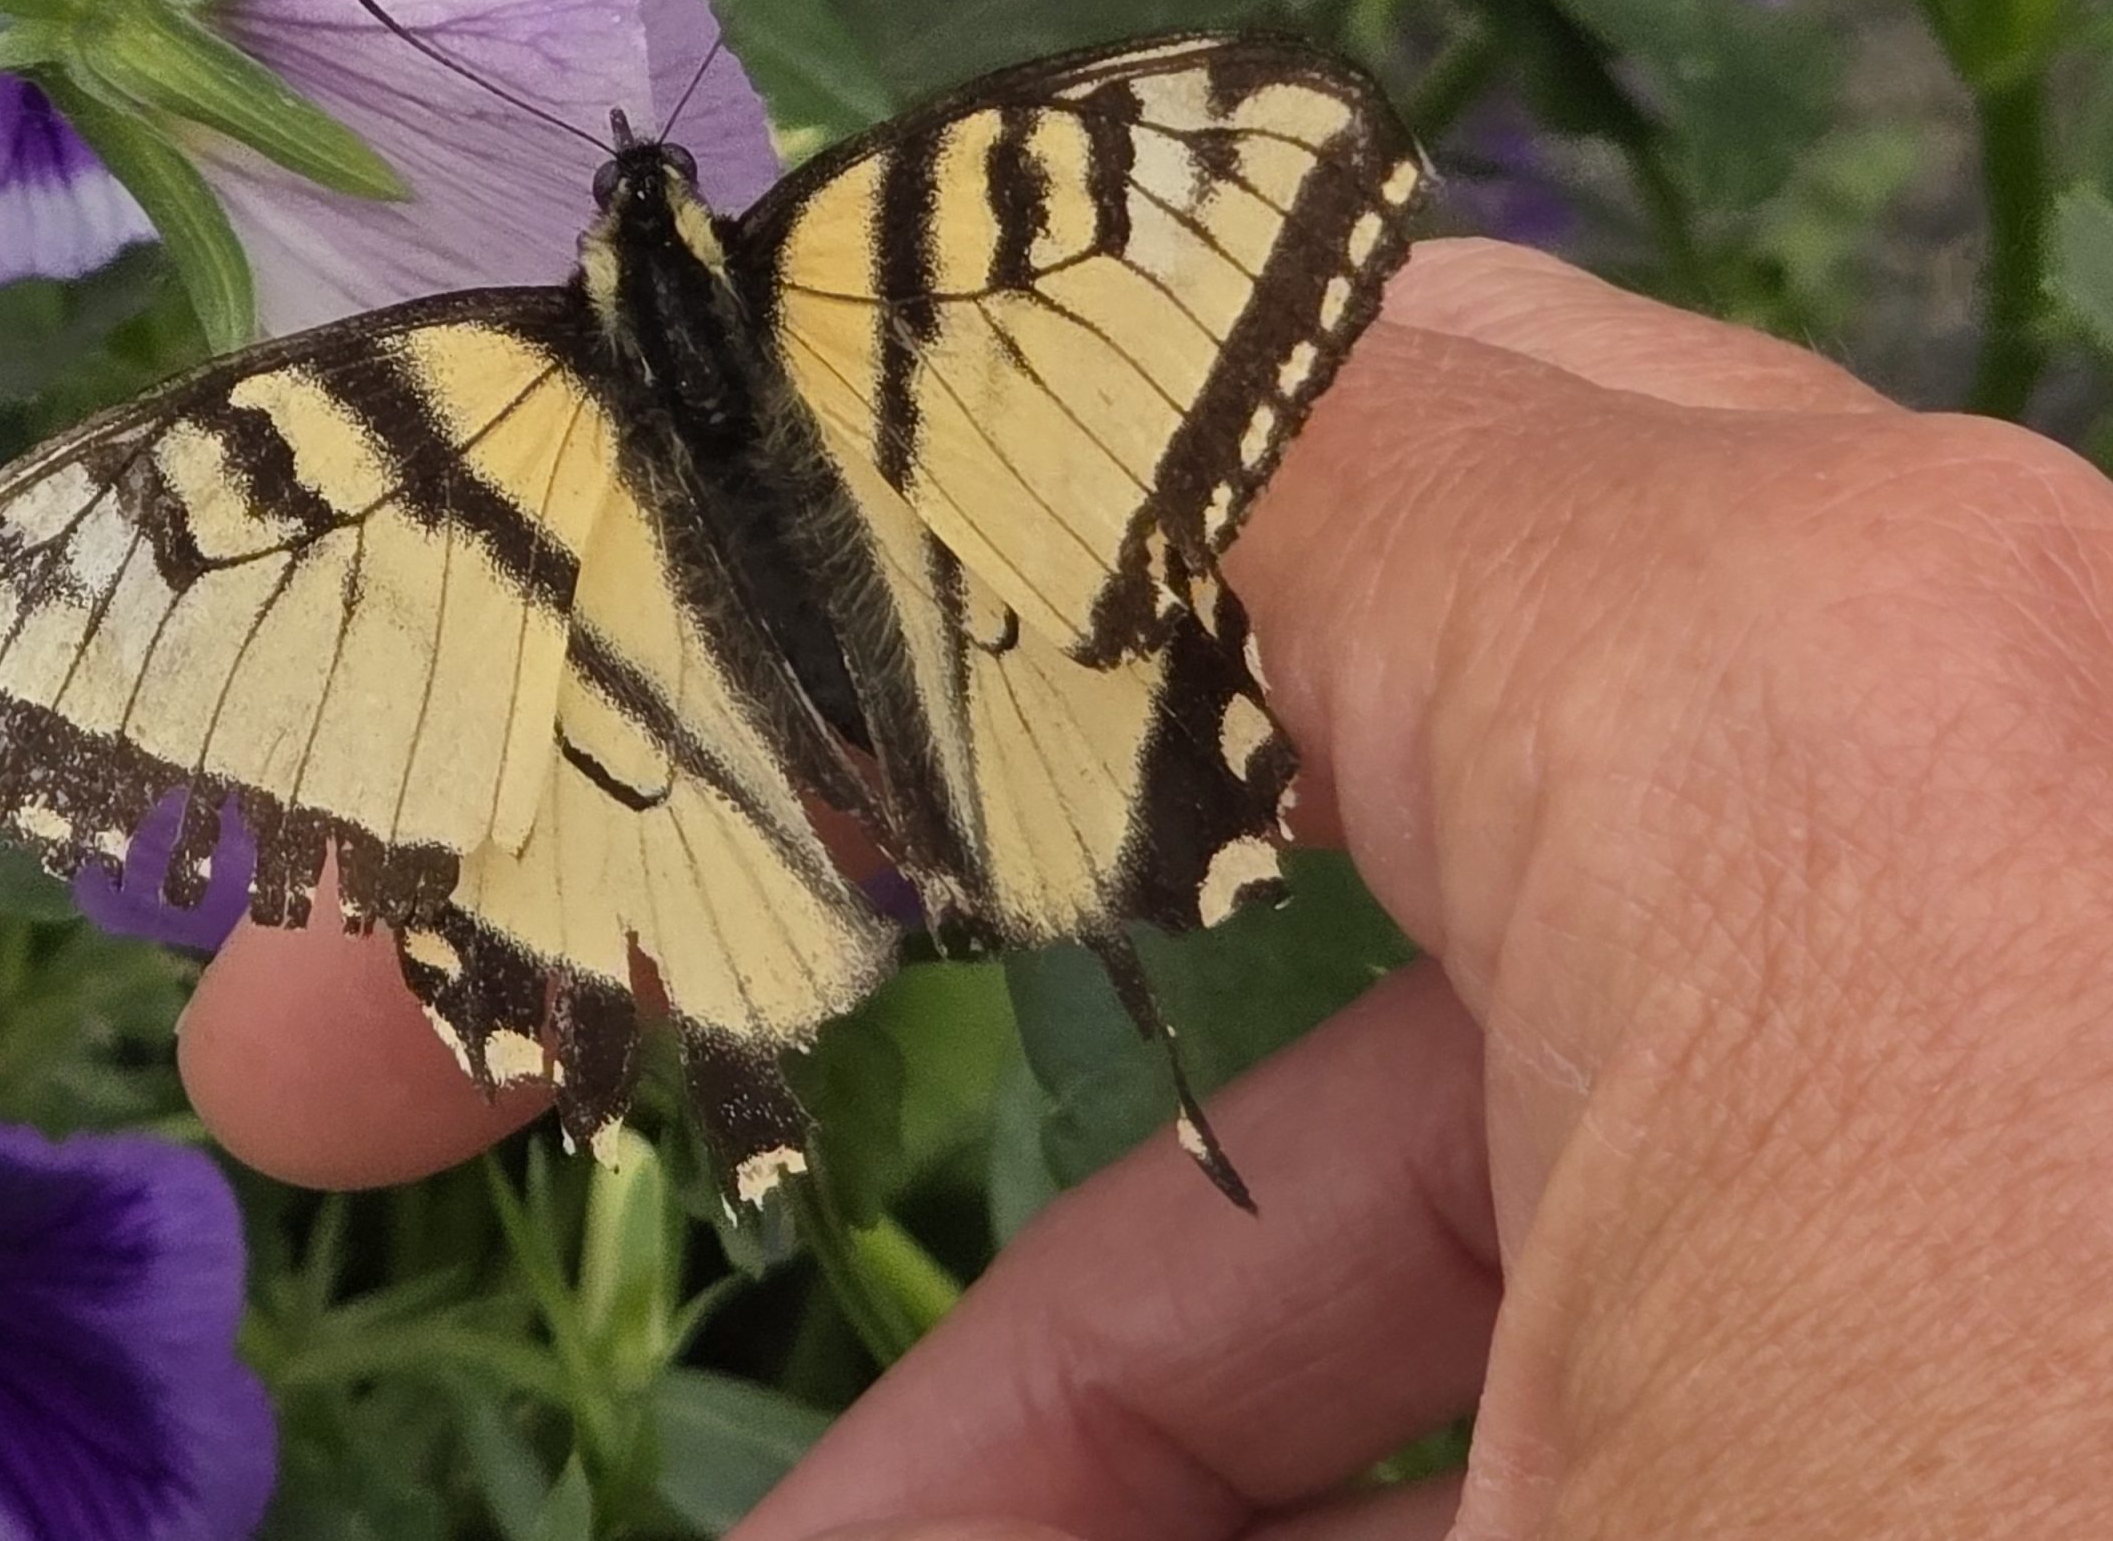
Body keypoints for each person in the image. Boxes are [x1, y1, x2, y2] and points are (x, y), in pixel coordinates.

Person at [177, 240, 2113, 1539]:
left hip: (659, 692)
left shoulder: (487, 383)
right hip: (817, 637)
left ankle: (901, 1023)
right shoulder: (873, 254)